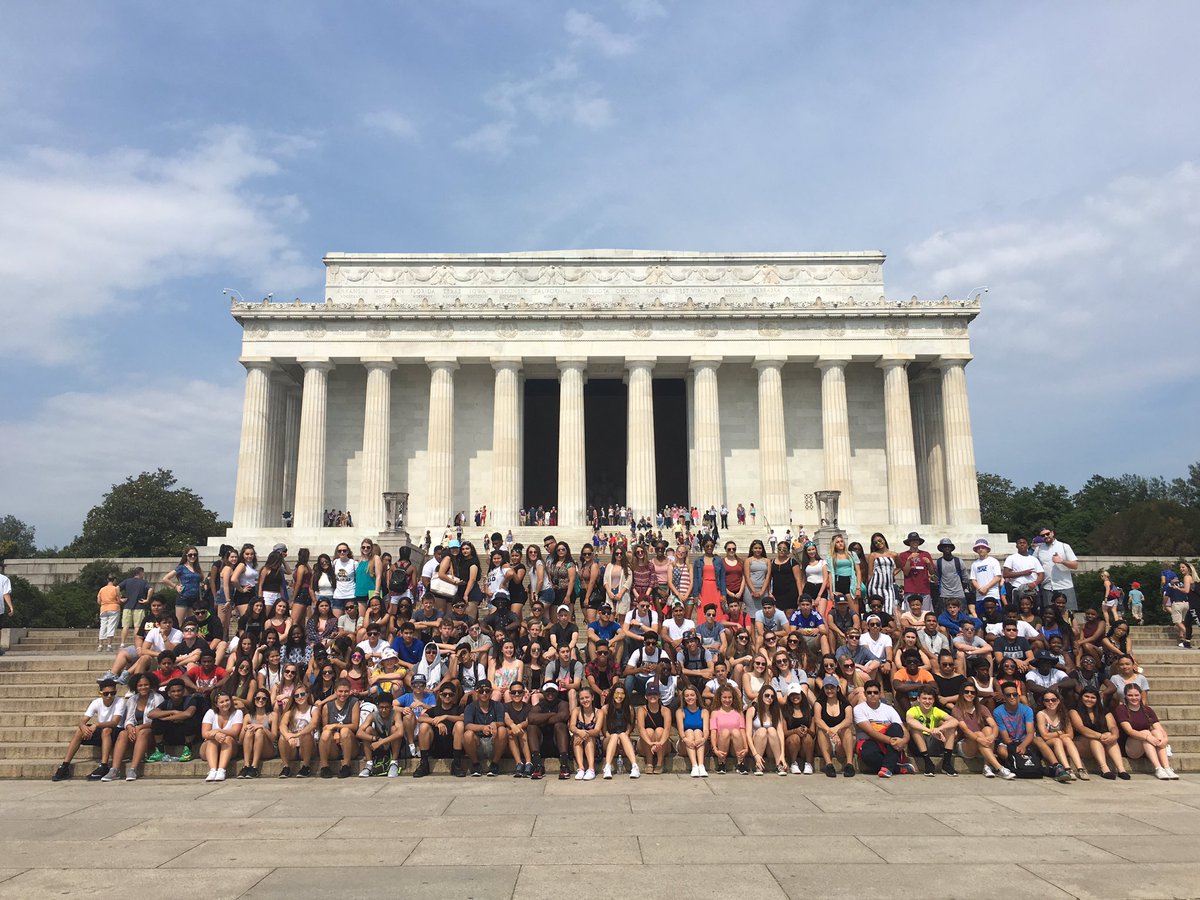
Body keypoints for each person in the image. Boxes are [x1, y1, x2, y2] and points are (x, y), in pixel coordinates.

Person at [52, 683, 126, 781]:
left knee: (106, 730)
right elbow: (83, 720)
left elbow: (114, 722)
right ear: (100, 693)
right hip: (102, 731)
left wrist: (97, 725)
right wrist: (83, 727)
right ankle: (65, 766)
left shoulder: (120, 701)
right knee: (80, 731)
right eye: (106, 693)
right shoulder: (96, 702)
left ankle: (104, 766)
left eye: (113, 693)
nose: (109, 696)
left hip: (116, 731)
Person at [102, 673, 163, 781]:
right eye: (140, 685)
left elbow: (158, 721)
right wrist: (130, 727)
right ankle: (114, 769)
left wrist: (141, 727)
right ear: (136, 686)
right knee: (122, 733)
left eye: (146, 685)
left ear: (151, 685)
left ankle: (133, 769)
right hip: (135, 732)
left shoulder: (158, 698)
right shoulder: (132, 699)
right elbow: (128, 719)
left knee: (144, 732)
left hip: (151, 734)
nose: (143, 687)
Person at [1115, 684, 1176, 779]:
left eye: (1136, 695)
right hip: (1130, 747)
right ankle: (1158, 768)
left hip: (1147, 744)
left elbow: (1159, 727)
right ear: (1125, 696)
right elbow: (1129, 731)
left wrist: (1165, 739)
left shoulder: (1147, 710)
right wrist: (1148, 737)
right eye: (1130, 695)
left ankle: (1167, 767)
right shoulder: (1121, 709)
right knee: (1146, 732)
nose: (1134, 698)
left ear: (1140, 695)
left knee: (1157, 732)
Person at [951, 683, 1012, 778]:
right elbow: (965, 730)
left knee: (988, 729)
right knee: (979, 733)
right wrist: (979, 739)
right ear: (961, 693)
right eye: (966, 692)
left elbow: (994, 726)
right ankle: (999, 768)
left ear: (976, 695)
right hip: (966, 744)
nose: (969, 694)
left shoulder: (981, 708)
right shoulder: (957, 709)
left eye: (972, 692)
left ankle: (987, 766)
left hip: (982, 743)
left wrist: (993, 736)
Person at [1070, 688, 1129, 780]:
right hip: (1082, 743)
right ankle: (1104, 768)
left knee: (1110, 736)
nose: (1089, 699)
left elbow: (1113, 726)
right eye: (1086, 696)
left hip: (1103, 744)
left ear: (1097, 699)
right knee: (1095, 739)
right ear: (1081, 697)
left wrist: (1114, 736)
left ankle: (1121, 769)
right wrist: (1100, 736)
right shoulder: (1074, 710)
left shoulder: (1104, 711)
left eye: (1092, 697)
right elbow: (1080, 728)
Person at [853, 681, 908, 777]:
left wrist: (904, 740)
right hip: (870, 741)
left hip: (888, 744)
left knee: (896, 727)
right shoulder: (859, 709)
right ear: (865, 694)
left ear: (880, 694)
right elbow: (871, 732)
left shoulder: (889, 709)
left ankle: (886, 768)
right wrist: (891, 741)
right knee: (867, 754)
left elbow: (903, 729)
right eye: (869, 693)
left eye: (875, 692)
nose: (872, 695)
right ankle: (898, 768)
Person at [413, 684, 466, 778]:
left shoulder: (458, 709)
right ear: (440, 695)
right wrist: (437, 722)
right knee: (424, 726)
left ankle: (457, 764)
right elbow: (421, 718)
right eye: (445, 694)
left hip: (453, 749)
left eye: (450, 694)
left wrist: (446, 717)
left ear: (454, 696)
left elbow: (463, 718)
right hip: (436, 747)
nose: (447, 697)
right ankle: (424, 764)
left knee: (460, 724)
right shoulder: (434, 710)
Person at [906, 686, 959, 776]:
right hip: (917, 745)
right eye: (924, 698)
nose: (927, 701)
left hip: (932, 742)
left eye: (930, 699)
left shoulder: (935, 710)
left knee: (951, 727)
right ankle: (927, 762)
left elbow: (955, 721)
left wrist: (939, 729)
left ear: (934, 700)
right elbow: (910, 721)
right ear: (918, 699)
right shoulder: (913, 710)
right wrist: (930, 731)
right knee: (915, 728)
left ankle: (946, 763)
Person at [1035, 689, 1083, 781]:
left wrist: (1059, 735)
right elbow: (1044, 736)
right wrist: (1060, 733)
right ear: (1043, 702)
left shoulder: (1063, 713)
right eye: (1047, 700)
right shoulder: (1041, 714)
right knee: (1058, 740)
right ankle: (1067, 769)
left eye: (1053, 700)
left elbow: (1070, 734)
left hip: (1062, 743)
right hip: (1047, 744)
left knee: (1067, 740)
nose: (1050, 702)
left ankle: (1080, 768)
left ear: (1058, 701)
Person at [317, 679, 360, 778]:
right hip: (334, 746)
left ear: (349, 691)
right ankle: (324, 766)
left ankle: (346, 766)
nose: (343, 694)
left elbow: (354, 726)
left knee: (345, 731)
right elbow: (325, 727)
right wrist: (334, 733)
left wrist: (336, 727)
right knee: (326, 734)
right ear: (335, 691)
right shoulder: (327, 706)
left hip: (349, 742)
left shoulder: (354, 702)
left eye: (346, 691)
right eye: (340, 691)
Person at [199, 691, 243, 782]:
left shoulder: (237, 712)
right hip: (209, 747)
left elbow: (235, 732)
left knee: (227, 738)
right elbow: (204, 733)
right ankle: (212, 771)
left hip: (229, 746)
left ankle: (221, 770)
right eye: (221, 702)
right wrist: (215, 735)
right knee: (212, 740)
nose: (225, 704)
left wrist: (217, 731)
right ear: (216, 704)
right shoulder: (210, 712)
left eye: (227, 700)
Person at [1033, 526, 1079, 613]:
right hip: (1047, 588)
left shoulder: (1064, 546)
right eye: (1043, 535)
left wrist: (1062, 561)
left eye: (1047, 534)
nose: (1046, 536)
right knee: (1050, 616)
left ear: (1052, 533)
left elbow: (1075, 565)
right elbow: (1032, 565)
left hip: (1065, 586)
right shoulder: (1039, 549)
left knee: (1069, 615)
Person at [993, 683, 1036, 772]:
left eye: (1015, 694)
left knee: (1039, 741)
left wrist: (1023, 745)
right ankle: (1015, 765)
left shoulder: (1027, 710)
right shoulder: (997, 712)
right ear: (1004, 697)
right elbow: (1005, 738)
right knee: (1001, 751)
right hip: (1009, 743)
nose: (1012, 697)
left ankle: (1056, 766)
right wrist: (1016, 748)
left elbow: (1030, 733)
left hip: (1025, 740)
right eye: (1008, 695)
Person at [600, 684, 639, 778]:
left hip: (623, 740)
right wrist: (614, 739)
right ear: (612, 694)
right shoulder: (605, 709)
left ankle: (635, 766)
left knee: (622, 735)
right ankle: (607, 767)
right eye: (617, 693)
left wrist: (621, 737)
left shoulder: (629, 708)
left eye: (622, 694)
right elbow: (604, 731)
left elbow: (629, 727)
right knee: (614, 736)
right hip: (609, 740)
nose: (619, 696)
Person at [237, 689, 277, 778]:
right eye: (258, 698)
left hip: (268, 749)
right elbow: (240, 740)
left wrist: (261, 727)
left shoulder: (272, 715)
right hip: (251, 748)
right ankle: (246, 765)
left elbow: (274, 738)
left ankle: (254, 766)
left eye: (264, 699)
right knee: (249, 731)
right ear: (254, 700)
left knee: (259, 732)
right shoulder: (248, 716)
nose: (260, 701)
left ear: (267, 700)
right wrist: (245, 729)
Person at [163, 547, 204, 626]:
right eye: (190, 555)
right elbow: (165, 578)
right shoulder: (181, 567)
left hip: (195, 598)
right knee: (179, 623)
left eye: (195, 555)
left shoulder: (197, 568)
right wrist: (175, 586)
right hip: (183, 597)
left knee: (192, 623)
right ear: (186, 556)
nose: (193, 557)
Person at [676, 685, 710, 777]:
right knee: (689, 731)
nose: (689, 698)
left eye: (692, 695)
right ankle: (694, 766)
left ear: (696, 696)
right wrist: (687, 740)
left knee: (698, 731)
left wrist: (703, 739)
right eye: (687, 696)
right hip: (685, 742)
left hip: (701, 743)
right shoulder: (680, 711)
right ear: (683, 698)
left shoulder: (704, 711)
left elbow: (706, 730)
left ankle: (701, 766)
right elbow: (681, 731)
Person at [569, 686, 602, 780]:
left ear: (592, 697)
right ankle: (581, 768)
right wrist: (579, 732)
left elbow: (596, 731)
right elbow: (572, 726)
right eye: (582, 698)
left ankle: (591, 769)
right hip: (577, 743)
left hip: (593, 743)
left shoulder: (599, 712)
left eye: (587, 697)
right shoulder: (576, 710)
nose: (585, 700)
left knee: (590, 737)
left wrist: (585, 735)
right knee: (576, 735)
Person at [95, 572, 121, 653]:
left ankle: (100, 645)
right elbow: (119, 600)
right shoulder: (116, 588)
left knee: (103, 626)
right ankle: (109, 645)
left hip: (103, 609)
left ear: (107, 580)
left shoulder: (102, 589)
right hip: (113, 608)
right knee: (111, 626)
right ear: (114, 580)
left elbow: (99, 601)